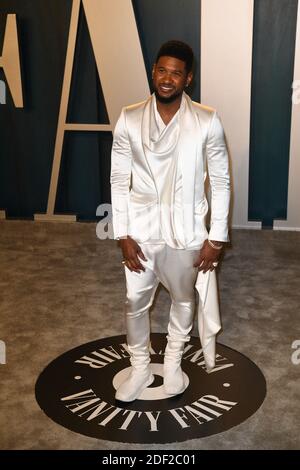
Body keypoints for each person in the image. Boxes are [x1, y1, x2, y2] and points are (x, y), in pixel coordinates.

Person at [110, 40, 230, 402]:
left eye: (176, 73)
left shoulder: (207, 120)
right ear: (153, 72)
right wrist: (122, 233)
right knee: (134, 301)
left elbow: (221, 180)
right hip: (141, 231)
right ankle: (141, 369)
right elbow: (118, 179)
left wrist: (217, 237)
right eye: (161, 70)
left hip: (188, 232)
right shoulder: (129, 117)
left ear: (187, 78)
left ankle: (174, 364)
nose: (167, 79)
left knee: (182, 299)